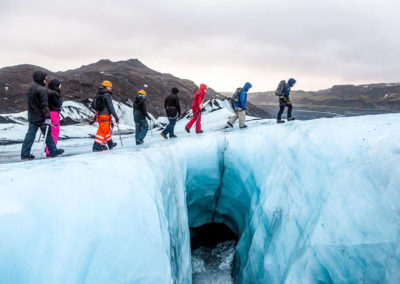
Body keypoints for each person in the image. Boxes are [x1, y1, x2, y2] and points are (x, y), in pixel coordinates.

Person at [20, 71, 64, 160]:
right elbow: (44, 105)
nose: (45, 80)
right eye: (45, 78)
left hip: (32, 116)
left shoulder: (31, 88)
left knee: (30, 135)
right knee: (48, 135)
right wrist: (47, 117)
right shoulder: (41, 90)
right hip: (41, 117)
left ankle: (25, 154)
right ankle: (53, 152)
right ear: (41, 78)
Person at [92, 80, 119, 152]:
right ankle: (96, 146)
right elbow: (111, 106)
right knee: (101, 132)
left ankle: (110, 144)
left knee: (106, 131)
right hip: (105, 115)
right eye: (110, 87)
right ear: (106, 86)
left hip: (100, 116)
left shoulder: (98, 94)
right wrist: (116, 116)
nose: (110, 88)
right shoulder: (107, 95)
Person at [45, 79, 63, 157]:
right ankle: (51, 150)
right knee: (54, 132)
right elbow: (58, 103)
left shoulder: (46, 92)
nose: (60, 86)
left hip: (47, 113)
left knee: (49, 133)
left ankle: (48, 148)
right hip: (54, 114)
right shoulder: (54, 93)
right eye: (59, 85)